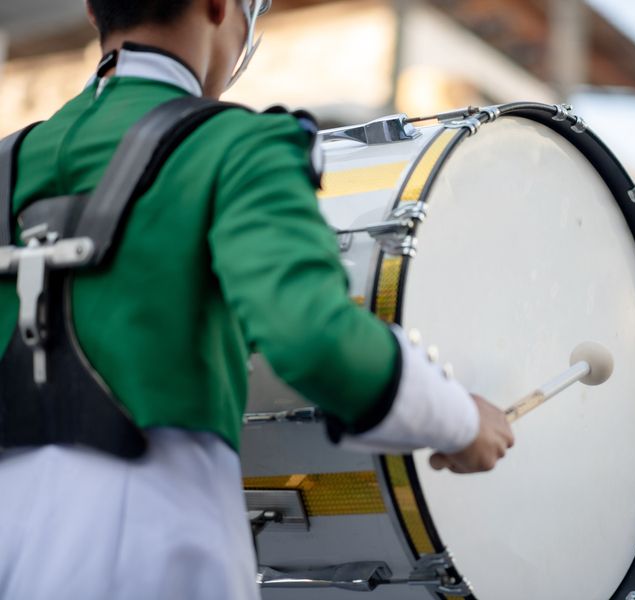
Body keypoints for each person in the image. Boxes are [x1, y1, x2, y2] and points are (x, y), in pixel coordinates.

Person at [0, 1, 514, 598]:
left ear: (93, 10)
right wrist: (459, 419)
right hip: (154, 555)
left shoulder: (8, 159)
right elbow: (314, 338)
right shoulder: (241, 145)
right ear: (221, 6)